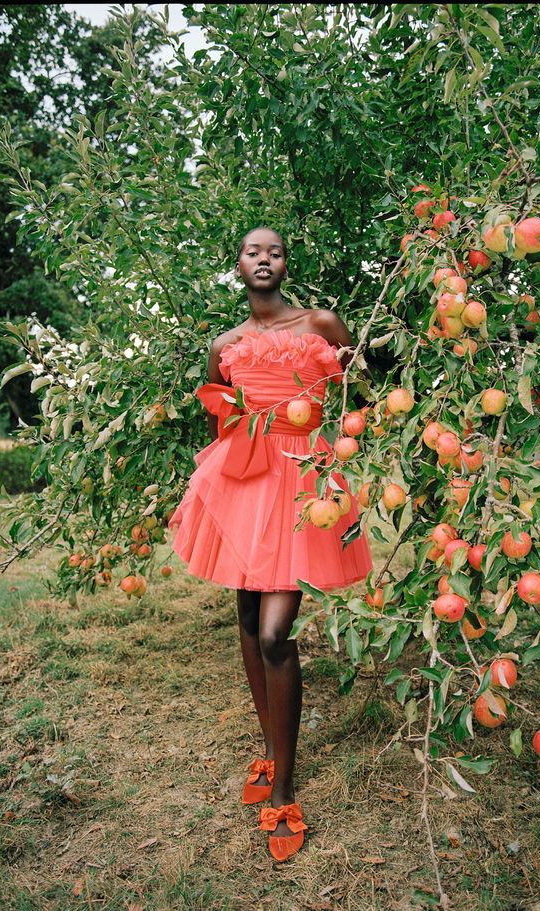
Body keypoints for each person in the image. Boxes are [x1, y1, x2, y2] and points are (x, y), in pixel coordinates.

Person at [168, 226, 373, 861]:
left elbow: (365, 389)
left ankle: (284, 790)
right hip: (244, 481)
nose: (264, 259)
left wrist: (331, 428)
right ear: (238, 266)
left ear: (287, 263)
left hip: (304, 485)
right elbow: (223, 416)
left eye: (275, 251)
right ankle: (269, 749)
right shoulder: (224, 345)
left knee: (275, 633)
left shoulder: (321, 324)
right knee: (249, 616)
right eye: (253, 251)